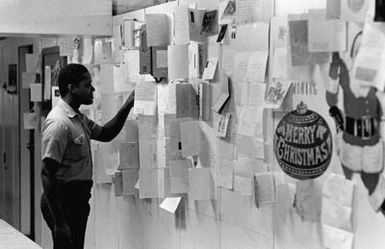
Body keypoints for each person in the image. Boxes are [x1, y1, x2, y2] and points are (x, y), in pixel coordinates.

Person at [40, 63, 135, 249]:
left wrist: (127, 106)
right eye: (87, 85)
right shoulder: (59, 123)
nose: (92, 89)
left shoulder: (78, 117)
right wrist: (59, 222)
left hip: (77, 199)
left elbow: (106, 133)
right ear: (72, 88)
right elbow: (46, 174)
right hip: (63, 200)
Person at [323, 31, 385, 215]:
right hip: (350, 141)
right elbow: (330, 99)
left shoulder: (379, 77)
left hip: (372, 143)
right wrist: (334, 68)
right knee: (342, 185)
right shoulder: (344, 71)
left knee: (372, 183)